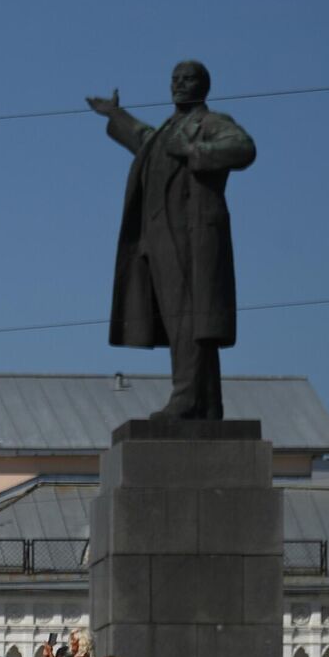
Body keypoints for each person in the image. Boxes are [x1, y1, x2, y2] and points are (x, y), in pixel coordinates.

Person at [86, 60, 255, 421]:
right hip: (160, 237)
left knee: (193, 320)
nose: (179, 85)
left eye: (188, 79)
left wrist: (195, 153)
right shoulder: (168, 129)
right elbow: (145, 140)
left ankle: (188, 398)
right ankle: (206, 402)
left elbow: (243, 148)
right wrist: (116, 114)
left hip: (192, 235)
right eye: (175, 79)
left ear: (204, 86)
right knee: (186, 320)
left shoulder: (209, 123)